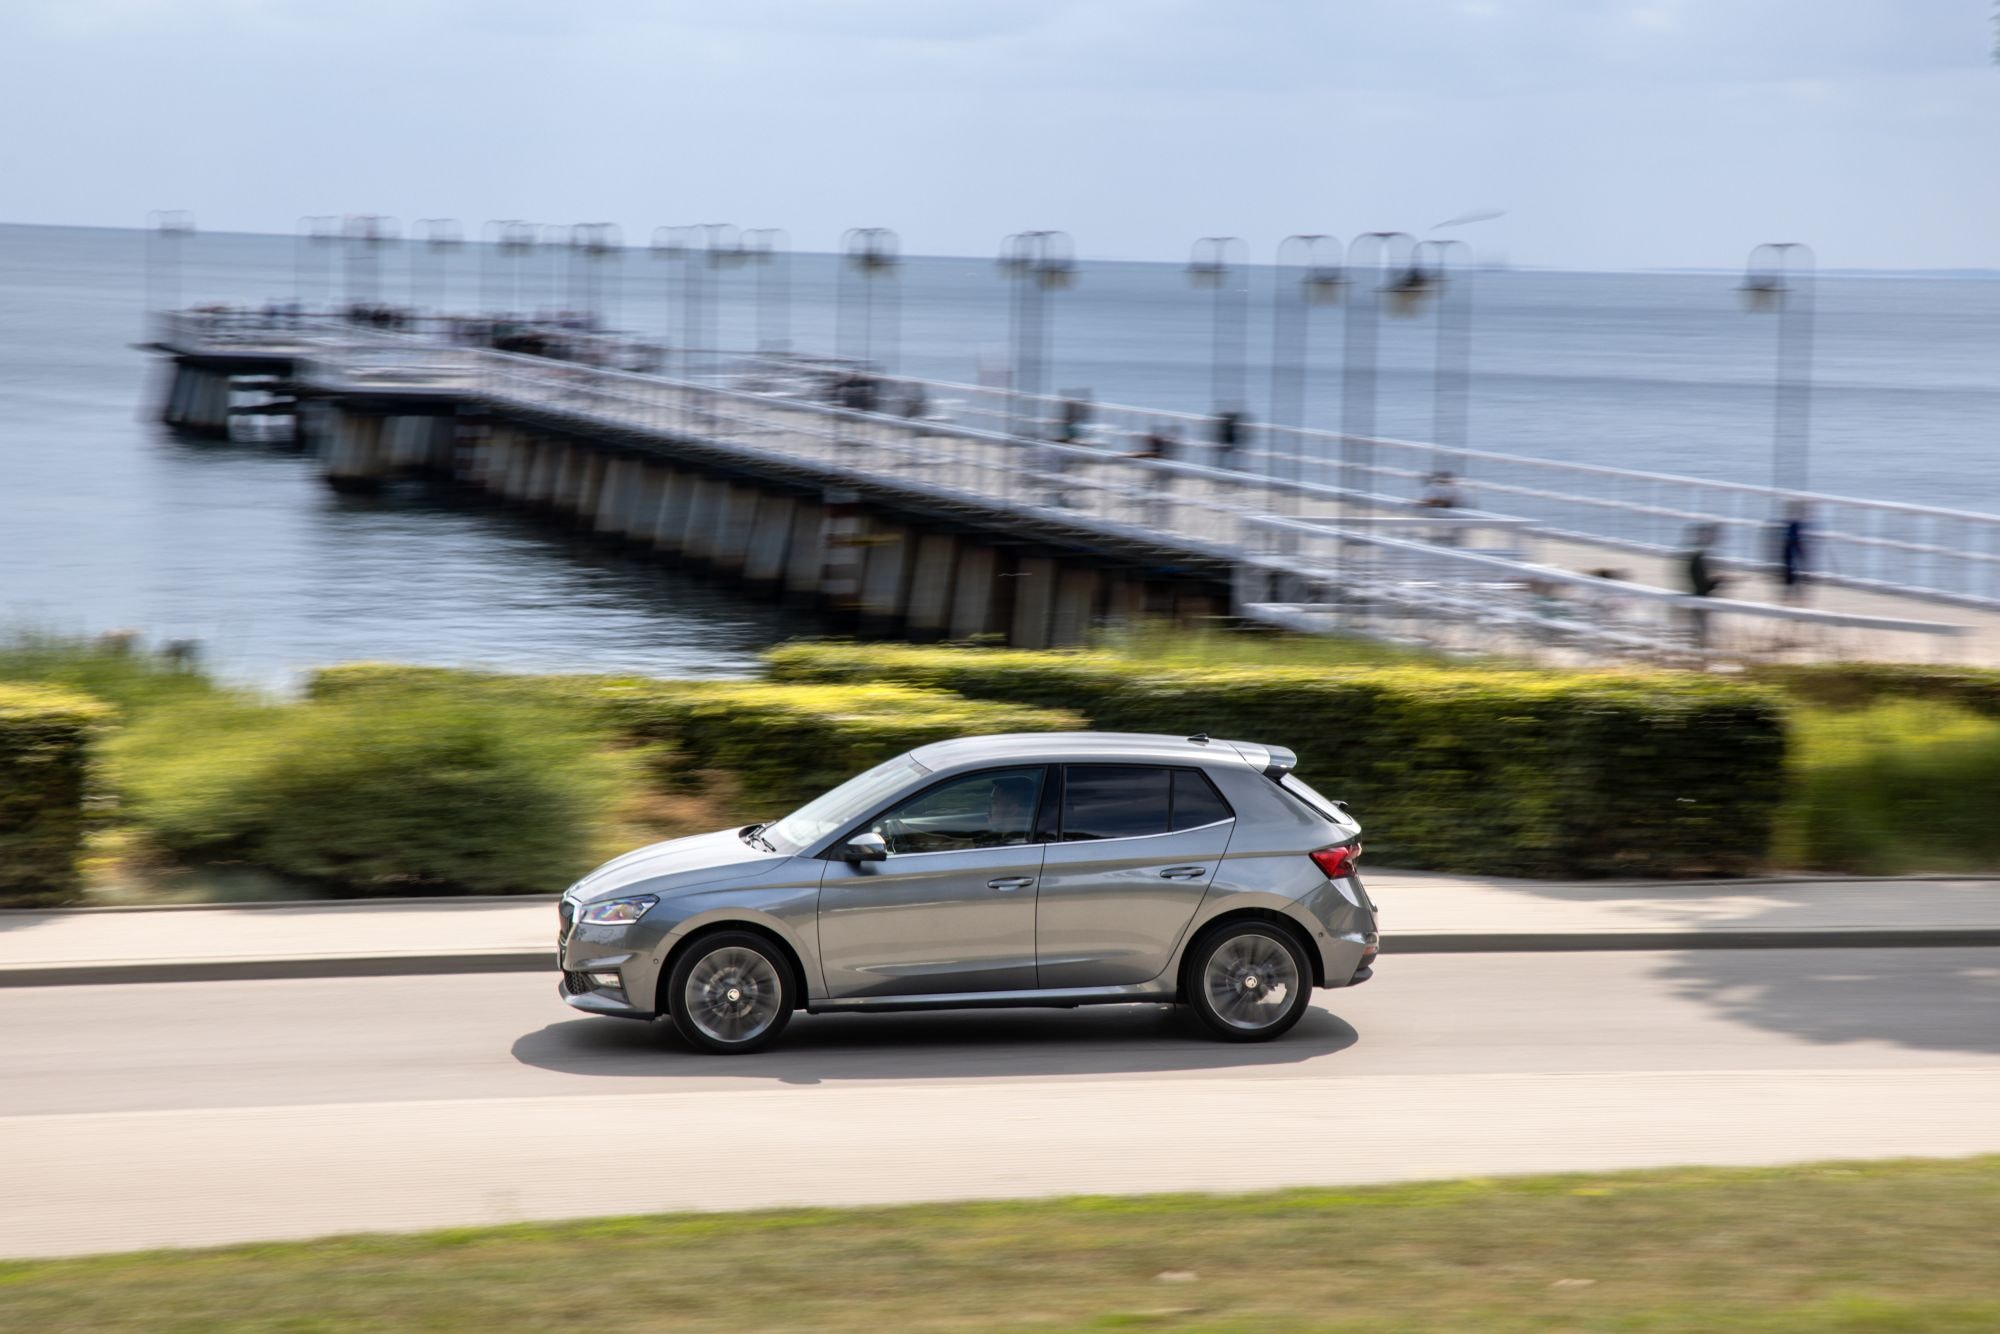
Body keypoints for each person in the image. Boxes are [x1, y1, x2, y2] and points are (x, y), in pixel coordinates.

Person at [1682, 522, 1728, 649]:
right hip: (1700, 599)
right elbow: (1702, 584)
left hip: (1698, 599)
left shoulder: (1697, 555)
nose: (1715, 537)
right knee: (1702, 634)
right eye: (1712, 535)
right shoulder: (1698, 556)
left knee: (1701, 633)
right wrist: (1719, 580)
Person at [1775, 501, 1811, 603]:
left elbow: (1791, 540)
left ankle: (1788, 599)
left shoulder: (1791, 523)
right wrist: (1802, 553)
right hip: (1791, 553)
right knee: (1793, 578)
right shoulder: (1795, 524)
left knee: (1791, 578)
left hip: (1789, 553)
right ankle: (1795, 600)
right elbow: (1794, 540)